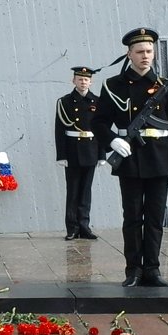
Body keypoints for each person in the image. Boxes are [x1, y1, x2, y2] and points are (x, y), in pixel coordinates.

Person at [92, 27, 168, 287]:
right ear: (129, 54)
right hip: (130, 160)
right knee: (132, 218)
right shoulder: (113, 85)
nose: (146, 56)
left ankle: (152, 269)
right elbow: (98, 123)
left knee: (155, 219)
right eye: (140, 51)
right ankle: (133, 270)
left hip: (159, 160)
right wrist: (113, 140)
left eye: (150, 51)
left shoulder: (164, 85)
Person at [54, 66, 104, 240]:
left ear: (91, 81)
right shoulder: (65, 102)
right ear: (73, 80)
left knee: (86, 191)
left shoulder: (97, 101)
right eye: (80, 79)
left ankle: (84, 226)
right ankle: (72, 228)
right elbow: (59, 130)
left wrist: (102, 154)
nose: (83, 82)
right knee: (73, 190)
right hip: (72, 150)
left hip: (91, 149)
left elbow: (101, 129)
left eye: (86, 79)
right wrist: (61, 155)